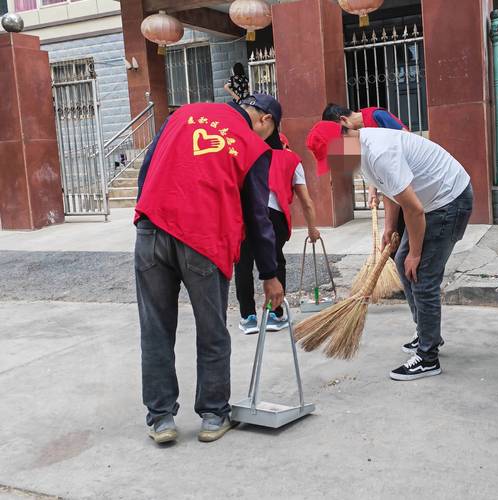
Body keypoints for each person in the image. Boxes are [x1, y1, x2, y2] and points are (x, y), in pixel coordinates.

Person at [134, 93, 284, 444]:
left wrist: (147, 218)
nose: (268, 140)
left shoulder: (182, 114)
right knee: (212, 328)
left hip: (152, 230)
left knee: (155, 328)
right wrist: (269, 273)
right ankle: (214, 415)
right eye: (271, 132)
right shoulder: (251, 144)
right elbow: (258, 216)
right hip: (203, 238)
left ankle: (161, 419)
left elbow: (147, 167)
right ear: (263, 119)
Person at [306, 121, 473, 381]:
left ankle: (428, 358)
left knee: (421, 275)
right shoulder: (361, 152)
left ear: (344, 136)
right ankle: (428, 333)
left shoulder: (379, 152)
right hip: (429, 202)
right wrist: (389, 226)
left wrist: (415, 253)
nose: (336, 167)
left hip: (448, 201)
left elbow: (414, 209)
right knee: (401, 263)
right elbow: (392, 190)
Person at [235, 131, 321, 334]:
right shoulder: (292, 159)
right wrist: (312, 228)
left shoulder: (248, 155)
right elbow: (306, 201)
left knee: (243, 264)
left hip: (246, 213)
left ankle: (248, 318)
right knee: (274, 262)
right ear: (284, 145)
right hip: (274, 217)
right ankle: (275, 314)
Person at [322, 103, 408, 238]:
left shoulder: (377, 116)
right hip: (393, 184)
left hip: (405, 179)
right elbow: (377, 165)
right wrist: (372, 190)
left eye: (340, 133)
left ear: (344, 120)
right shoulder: (360, 134)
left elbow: (406, 138)